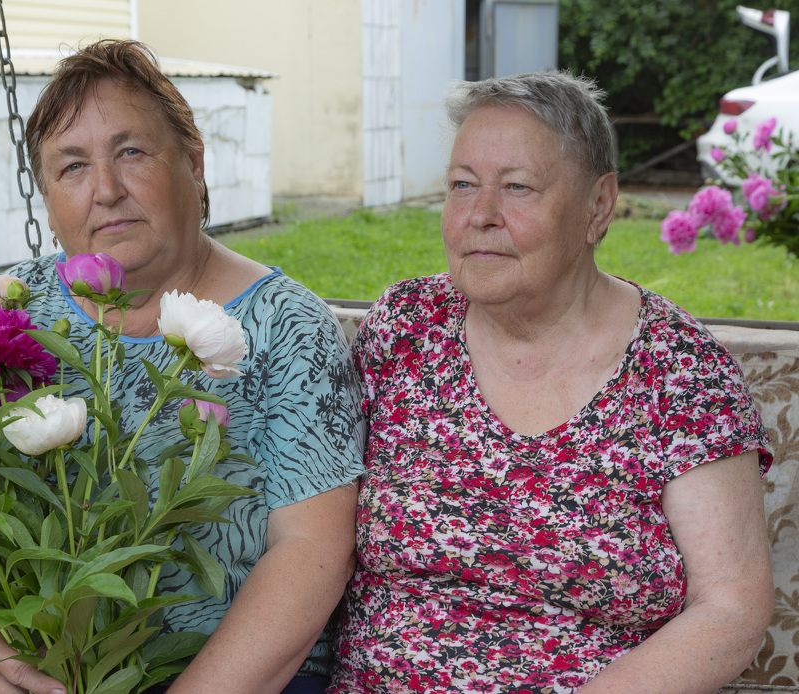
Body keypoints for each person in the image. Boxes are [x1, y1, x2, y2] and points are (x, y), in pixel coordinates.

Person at [0, 39, 364, 694]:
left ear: (194, 163)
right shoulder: (12, 309)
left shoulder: (285, 327)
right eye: (71, 167)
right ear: (47, 197)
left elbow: (311, 550)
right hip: (27, 670)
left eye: (131, 151)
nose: (107, 190)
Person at [330, 71, 774, 693]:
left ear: (598, 205)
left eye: (517, 188)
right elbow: (316, 534)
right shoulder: (405, 329)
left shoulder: (678, 370)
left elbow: (730, 607)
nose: (480, 216)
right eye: (462, 186)